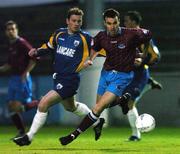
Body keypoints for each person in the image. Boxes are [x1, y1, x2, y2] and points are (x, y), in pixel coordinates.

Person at [59, 8, 152, 146]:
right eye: (109, 23)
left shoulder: (130, 33)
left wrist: (142, 56)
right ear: (105, 23)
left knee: (97, 109)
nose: (112, 26)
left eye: (114, 22)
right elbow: (95, 48)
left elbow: (148, 35)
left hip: (122, 76)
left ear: (118, 21)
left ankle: (73, 135)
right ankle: (122, 100)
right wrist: (91, 58)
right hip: (106, 74)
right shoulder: (101, 36)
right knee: (100, 106)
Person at [12, 7, 93, 146]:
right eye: (74, 21)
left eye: (79, 21)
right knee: (71, 107)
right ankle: (95, 118)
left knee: (44, 103)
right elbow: (48, 47)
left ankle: (28, 137)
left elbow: (101, 48)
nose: (77, 23)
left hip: (70, 79)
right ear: (67, 21)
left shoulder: (85, 38)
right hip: (59, 77)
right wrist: (36, 52)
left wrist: (91, 59)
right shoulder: (59, 33)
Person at [93, 11, 162, 142]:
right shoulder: (124, 35)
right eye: (123, 21)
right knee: (117, 101)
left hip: (138, 75)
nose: (124, 23)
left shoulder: (141, 36)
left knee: (129, 103)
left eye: (127, 21)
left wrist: (142, 61)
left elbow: (155, 56)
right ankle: (149, 83)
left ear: (134, 22)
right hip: (125, 74)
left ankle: (136, 135)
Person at [0, 20, 39, 138]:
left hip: (22, 78)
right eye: (9, 29)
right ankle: (21, 132)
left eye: (13, 29)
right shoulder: (11, 45)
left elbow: (34, 57)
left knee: (17, 106)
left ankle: (40, 103)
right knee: (10, 106)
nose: (11, 31)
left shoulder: (22, 43)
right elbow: (9, 65)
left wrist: (25, 73)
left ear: (17, 30)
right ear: (6, 32)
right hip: (14, 78)